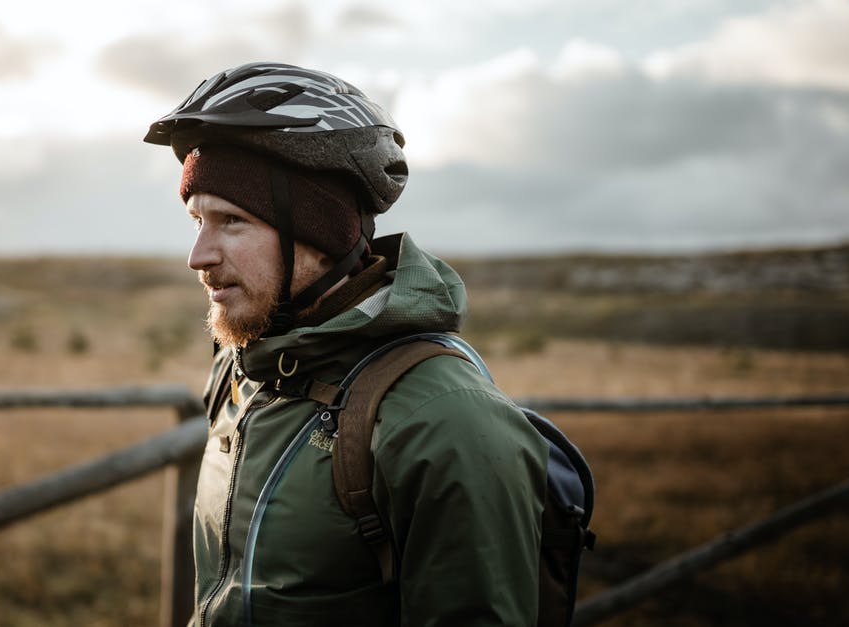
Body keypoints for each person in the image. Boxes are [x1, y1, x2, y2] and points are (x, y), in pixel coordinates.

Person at [144, 62, 549, 627]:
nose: (200, 256)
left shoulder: (445, 421)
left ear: (320, 232)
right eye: (197, 221)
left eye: (232, 221)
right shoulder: (245, 373)